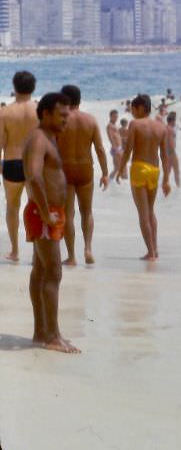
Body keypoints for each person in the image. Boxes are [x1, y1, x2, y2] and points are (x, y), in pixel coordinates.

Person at [22, 92, 79, 353]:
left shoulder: (47, 137)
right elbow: (34, 176)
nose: (66, 119)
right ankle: (53, 336)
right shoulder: (39, 139)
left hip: (47, 213)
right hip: (44, 215)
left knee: (41, 271)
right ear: (46, 114)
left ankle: (41, 332)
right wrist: (45, 213)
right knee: (53, 272)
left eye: (68, 115)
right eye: (62, 115)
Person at [56, 84, 109, 266]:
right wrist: (105, 173)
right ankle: (88, 249)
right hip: (86, 169)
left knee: (68, 214)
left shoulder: (61, 120)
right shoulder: (91, 120)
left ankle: (71, 256)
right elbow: (100, 149)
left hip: (66, 169)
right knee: (87, 211)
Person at [117, 94, 171, 261]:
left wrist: (120, 169)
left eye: (133, 109)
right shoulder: (161, 127)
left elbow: (128, 150)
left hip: (139, 168)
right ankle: (155, 248)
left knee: (143, 213)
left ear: (140, 108)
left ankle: (151, 252)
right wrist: (166, 179)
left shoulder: (135, 124)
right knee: (151, 211)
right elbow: (165, 155)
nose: (132, 113)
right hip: (155, 170)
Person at [0, 71, 39, 261]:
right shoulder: (39, 110)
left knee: (12, 207)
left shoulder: (5, 112)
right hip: (34, 163)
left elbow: (0, 142)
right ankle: (36, 253)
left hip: (12, 162)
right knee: (36, 207)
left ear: (14, 87)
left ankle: (15, 251)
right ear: (33, 87)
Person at [166, 111, 181, 188]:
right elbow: (171, 142)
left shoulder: (164, 128)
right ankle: (178, 187)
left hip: (166, 152)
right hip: (171, 152)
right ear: (172, 121)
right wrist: (172, 152)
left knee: (168, 171)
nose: (175, 122)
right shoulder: (170, 130)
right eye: (174, 121)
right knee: (176, 171)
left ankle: (164, 186)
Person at [107, 110, 123, 181]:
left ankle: (111, 182)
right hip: (116, 149)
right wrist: (116, 149)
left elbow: (117, 136)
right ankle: (110, 181)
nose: (116, 118)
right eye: (114, 116)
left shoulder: (115, 125)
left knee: (117, 168)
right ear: (110, 116)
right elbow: (110, 138)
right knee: (118, 167)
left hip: (119, 148)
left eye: (117, 116)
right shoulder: (110, 126)